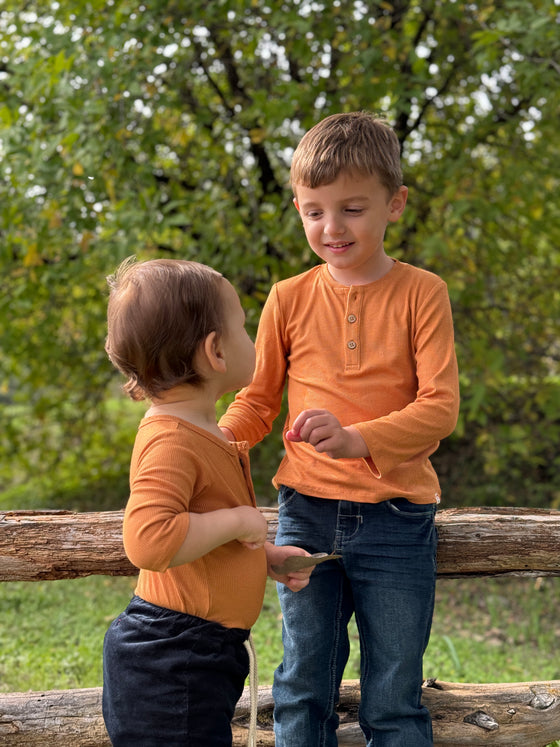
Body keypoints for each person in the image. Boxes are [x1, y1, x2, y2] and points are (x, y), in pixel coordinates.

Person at [219, 112, 460, 746]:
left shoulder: (423, 294)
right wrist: (213, 443)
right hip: (306, 511)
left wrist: (359, 439)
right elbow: (258, 400)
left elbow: (440, 408)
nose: (332, 228)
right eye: (313, 211)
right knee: (302, 686)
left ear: (395, 203)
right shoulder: (288, 297)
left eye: (352, 209)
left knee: (394, 695)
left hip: (399, 519)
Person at [102, 257, 312, 747]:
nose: (251, 338)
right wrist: (239, 519)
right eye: (242, 326)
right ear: (215, 351)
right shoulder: (171, 438)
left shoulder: (202, 431)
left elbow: (197, 539)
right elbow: (149, 542)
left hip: (194, 652)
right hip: (173, 655)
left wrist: (260, 556)